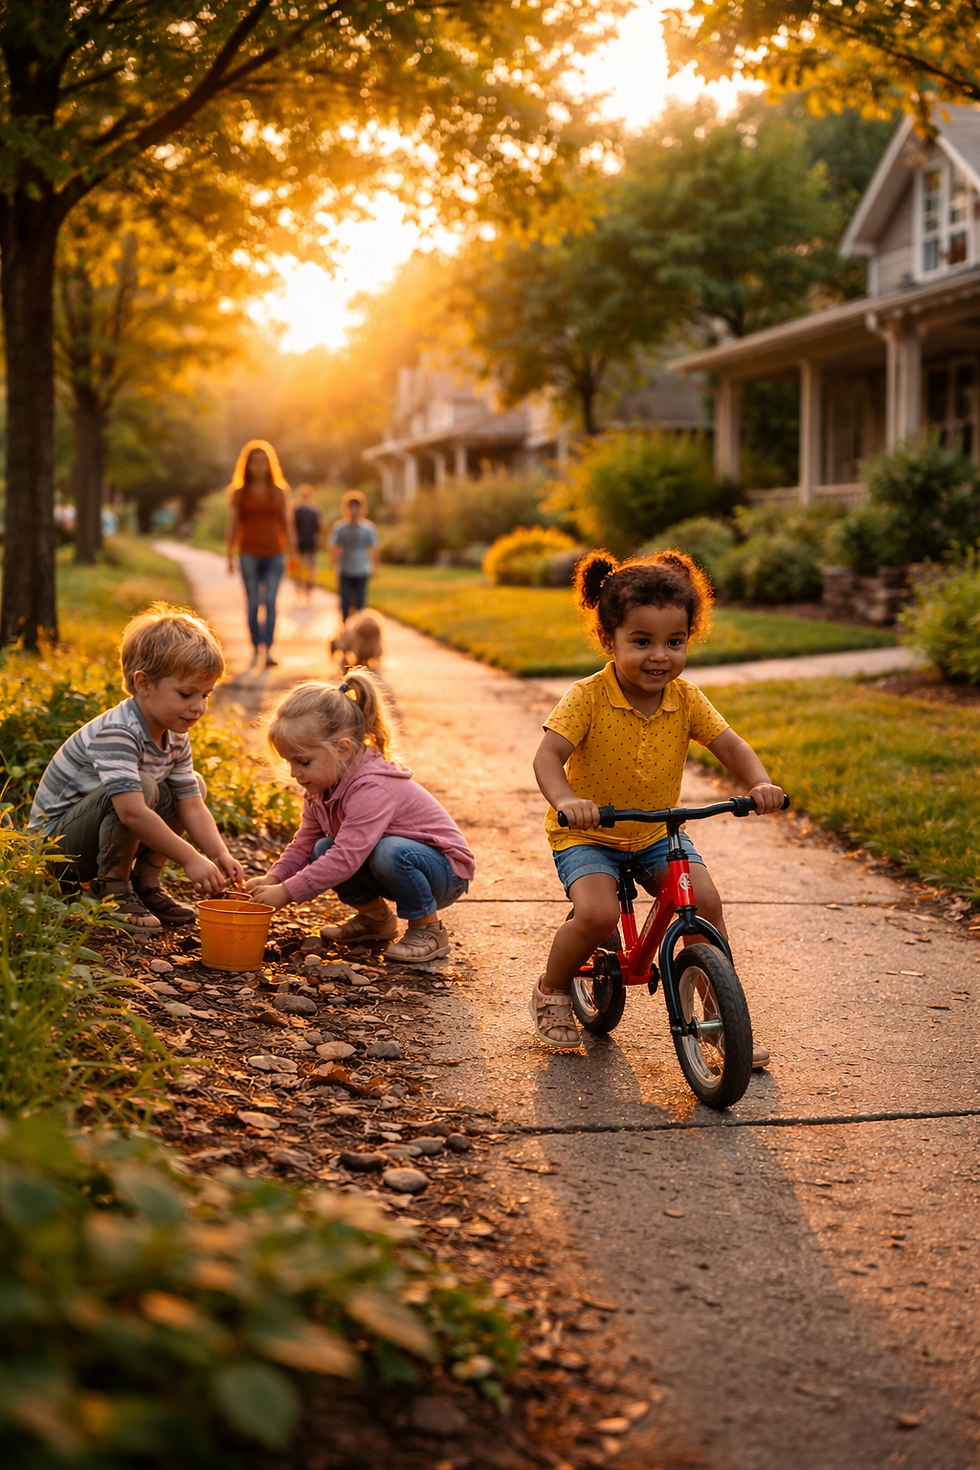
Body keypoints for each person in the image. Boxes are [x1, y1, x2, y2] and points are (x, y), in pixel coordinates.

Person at [530, 550, 785, 1061]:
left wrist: (760, 782)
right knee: (598, 914)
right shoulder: (589, 697)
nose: (659, 656)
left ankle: (718, 1017)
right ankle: (552, 988)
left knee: (705, 905)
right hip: (589, 834)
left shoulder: (686, 699)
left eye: (675, 642)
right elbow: (548, 757)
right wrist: (567, 801)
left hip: (655, 833)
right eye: (641, 642)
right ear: (609, 639)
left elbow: (730, 746)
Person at [29, 604, 244, 934]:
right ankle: (110, 887)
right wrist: (189, 858)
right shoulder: (118, 731)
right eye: (186, 693)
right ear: (143, 683)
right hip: (55, 851)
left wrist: (218, 855)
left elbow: (190, 804)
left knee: (192, 786)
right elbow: (130, 813)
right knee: (140, 788)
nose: (198, 707)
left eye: (206, 694)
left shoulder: (173, 734)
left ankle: (144, 881)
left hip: (94, 838)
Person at [245, 673, 474, 965]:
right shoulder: (322, 786)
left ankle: (428, 930)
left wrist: (287, 893)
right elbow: (303, 845)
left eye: (303, 762)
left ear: (343, 749)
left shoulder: (371, 787)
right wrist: (274, 878)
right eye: (289, 762)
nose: (294, 773)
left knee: (387, 852)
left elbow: (347, 858)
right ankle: (375, 920)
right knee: (321, 849)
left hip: (442, 872)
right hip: (400, 863)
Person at [225, 439, 297, 668]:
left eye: (264, 462)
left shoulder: (279, 491)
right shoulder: (240, 492)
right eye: (255, 462)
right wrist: (229, 555)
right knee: (254, 602)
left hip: (275, 554)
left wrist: (293, 554)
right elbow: (233, 525)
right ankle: (256, 648)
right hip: (248, 553)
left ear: (270, 464)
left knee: (270, 602)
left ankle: (268, 650)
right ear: (247, 465)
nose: (259, 466)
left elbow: (287, 523)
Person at [328, 490, 379, 622]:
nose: (354, 509)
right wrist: (333, 563)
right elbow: (333, 546)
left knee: (361, 604)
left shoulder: (368, 528)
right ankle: (345, 631)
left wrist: (374, 566)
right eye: (351, 506)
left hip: (361, 570)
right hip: (345, 570)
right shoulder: (340, 527)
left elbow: (373, 548)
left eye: (357, 506)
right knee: (345, 603)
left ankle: (358, 632)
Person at [293, 483, 322, 603]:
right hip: (305, 540)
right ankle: (305, 586)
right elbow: (320, 526)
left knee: (305, 566)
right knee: (307, 565)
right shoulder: (314, 510)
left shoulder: (297, 509)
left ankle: (302, 586)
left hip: (304, 541)